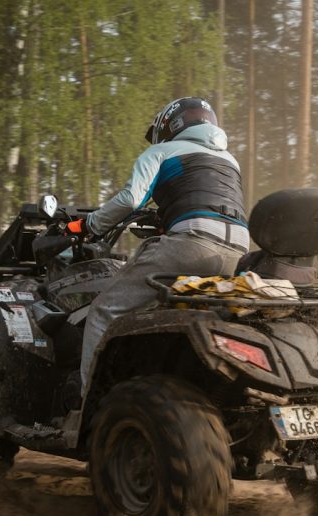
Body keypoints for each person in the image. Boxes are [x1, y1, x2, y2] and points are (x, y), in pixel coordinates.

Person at [65, 97, 249, 409]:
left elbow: (129, 200)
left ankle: (87, 406)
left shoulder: (160, 151)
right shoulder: (230, 161)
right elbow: (205, 199)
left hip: (192, 242)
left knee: (103, 312)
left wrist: (89, 225)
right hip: (239, 250)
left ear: (169, 126)